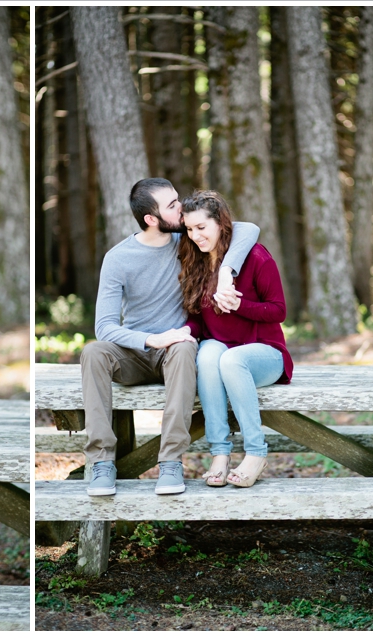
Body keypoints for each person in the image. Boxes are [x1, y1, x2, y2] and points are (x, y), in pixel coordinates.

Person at [81, 178, 260, 496]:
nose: (182, 208)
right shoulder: (118, 258)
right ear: (151, 219)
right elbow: (105, 327)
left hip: (176, 351)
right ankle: (102, 462)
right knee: (94, 352)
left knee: (183, 347)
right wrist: (152, 339)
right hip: (135, 352)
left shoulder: (188, 240)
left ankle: (170, 462)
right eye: (172, 205)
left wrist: (225, 272)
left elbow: (247, 229)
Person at [180, 190, 293, 488]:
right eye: (189, 229)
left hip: (265, 354)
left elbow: (278, 310)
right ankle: (220, 453)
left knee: (230, 359)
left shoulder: (256, 256)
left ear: (220, 223)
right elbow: (196, 314)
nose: (195, 236)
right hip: (221, 349)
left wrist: (240, 305)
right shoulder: (196, 260)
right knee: (206, 354)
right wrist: (186, 332)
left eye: (201, 228)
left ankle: (256, 452)